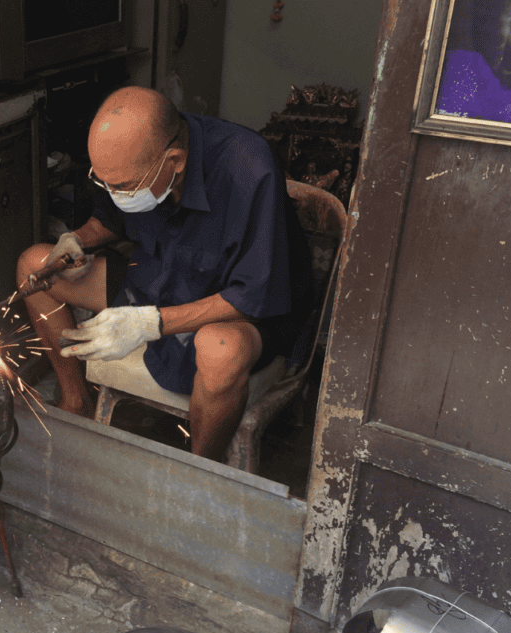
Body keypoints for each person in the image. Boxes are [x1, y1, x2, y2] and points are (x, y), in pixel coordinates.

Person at [16, 86, 312, 461]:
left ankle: (200, 466)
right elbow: (111, 217)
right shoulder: (130, 162)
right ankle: (77, 400)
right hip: (159, 278)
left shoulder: (249, 168)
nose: (113, 191)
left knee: (220, 351)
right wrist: (78, 240)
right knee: (34, 265)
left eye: (121, 186)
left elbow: (253, 293)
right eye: (103, 182)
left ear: (174, 160)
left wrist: (147, 324)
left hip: (236, 307)